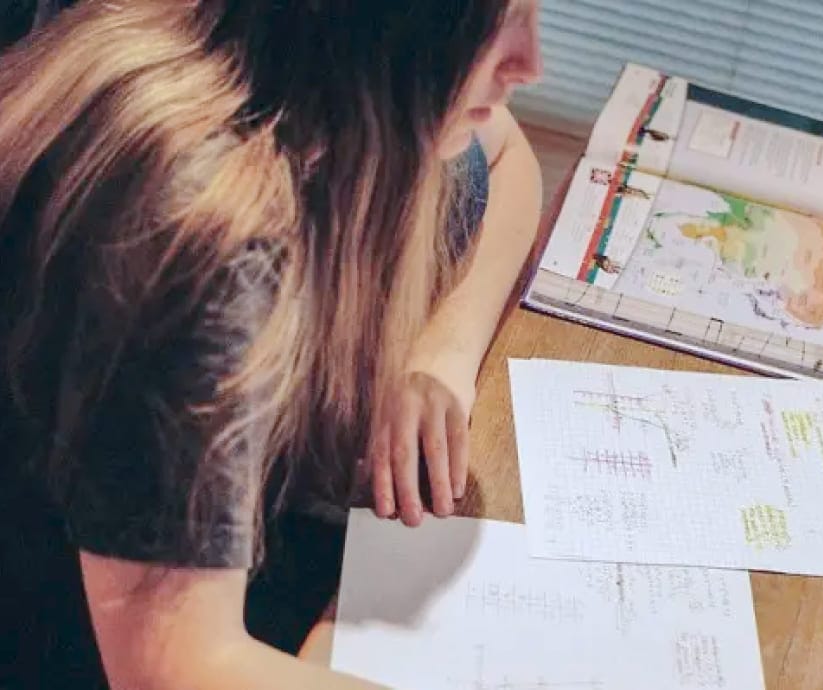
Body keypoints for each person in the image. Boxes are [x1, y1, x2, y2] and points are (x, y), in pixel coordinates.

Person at [0, 1, 543, 688]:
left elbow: (509, 158)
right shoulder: (194, 226)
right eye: (501, 20)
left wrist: (444, 352)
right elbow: (170, 665)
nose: (531, 63)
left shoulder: (303, 80)